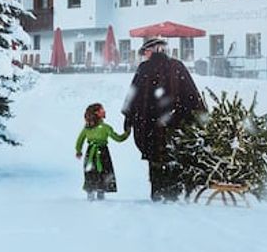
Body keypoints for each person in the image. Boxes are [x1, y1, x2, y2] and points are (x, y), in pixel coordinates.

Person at [121, 36, 205, 202]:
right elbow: (192, 95)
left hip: (150, 126)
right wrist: (195, 116)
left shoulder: (145, 68)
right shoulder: (177, 66)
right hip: (175, 124)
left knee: (155, 160)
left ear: (153, 50)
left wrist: (129, 117)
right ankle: (172, 192)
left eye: (145, 52)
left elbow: (133, 95)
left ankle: (158, 192)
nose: (144, 56)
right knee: (172, 157)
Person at [75, 102, 129, 200]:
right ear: (96, 113)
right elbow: (118, 138)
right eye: (101, 110)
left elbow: (80, 140)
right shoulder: (105, 128)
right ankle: (101, 197)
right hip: (102, 153)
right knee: (103, 173)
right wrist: (127, 133)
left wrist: (79, 151)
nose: (104, 111)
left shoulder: (87, 128)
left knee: (91, 173)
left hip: (90, 153)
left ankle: (90, 197)